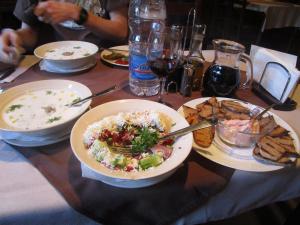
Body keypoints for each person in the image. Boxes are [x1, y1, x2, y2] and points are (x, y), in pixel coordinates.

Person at [0, 0, 129, 63]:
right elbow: (29, 33)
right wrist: (16, 37)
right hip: (51, 63)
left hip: (101, 61)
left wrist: (78, 14)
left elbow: (120, 31)